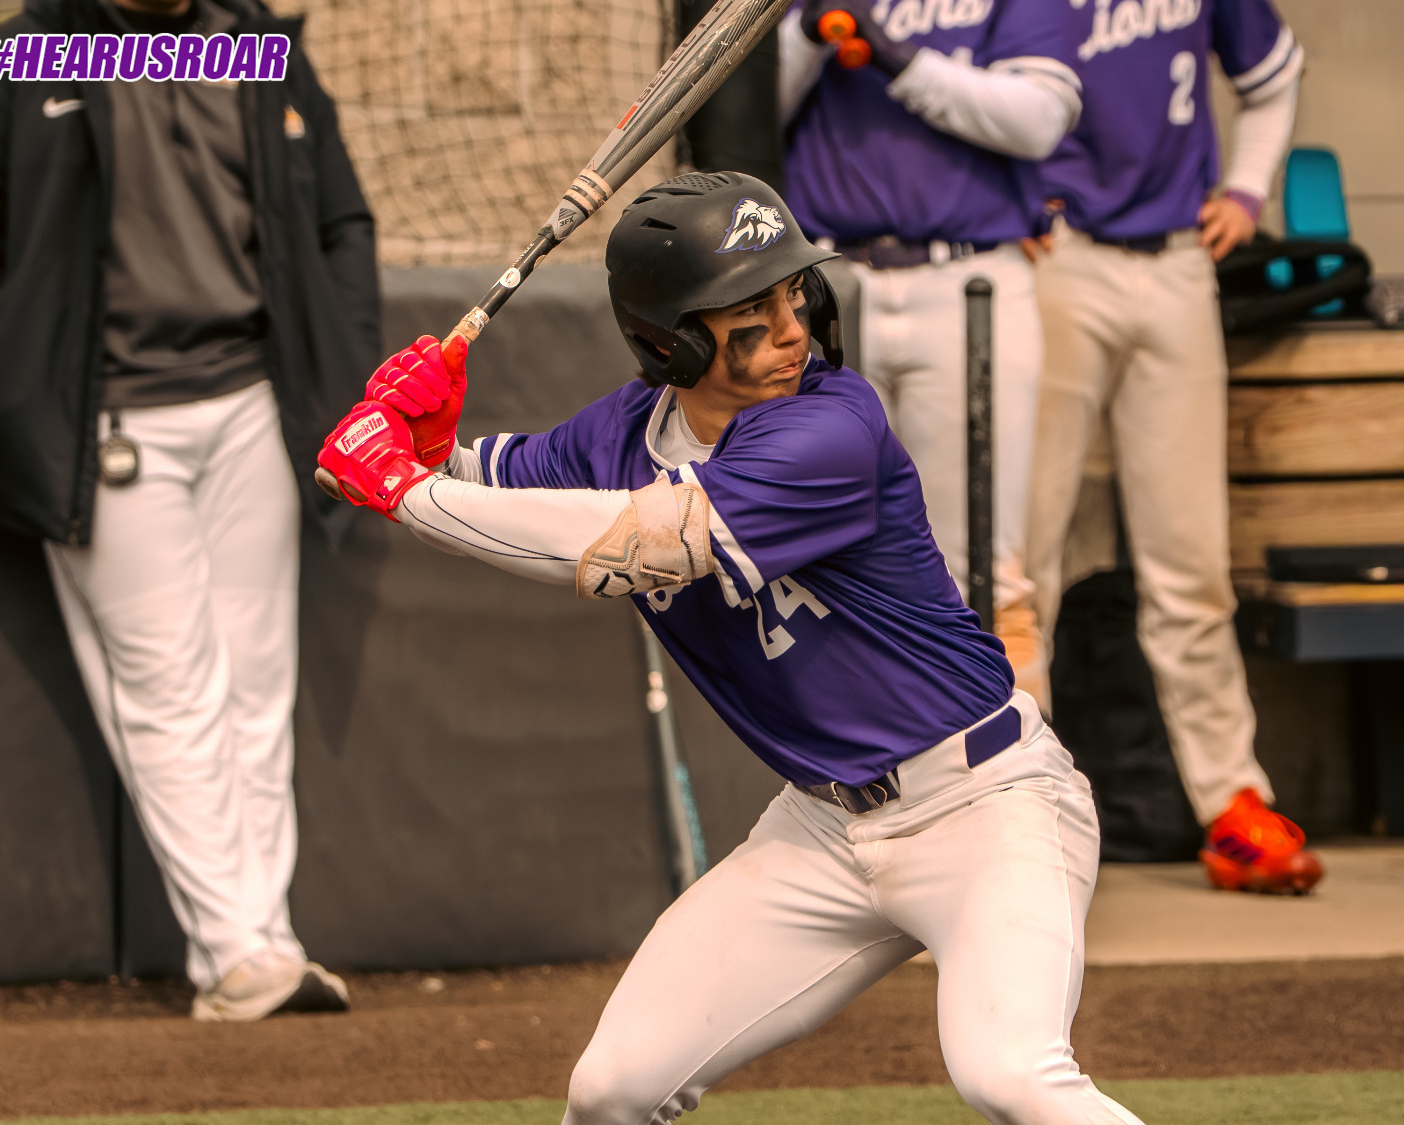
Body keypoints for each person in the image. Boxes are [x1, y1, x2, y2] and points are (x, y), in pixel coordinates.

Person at [318, 172, 1148, 1125]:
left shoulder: (832, 425)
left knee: (1011, 1073)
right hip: (823, 829)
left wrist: (404, 490)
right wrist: (424, 446)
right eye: (748, 309)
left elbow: (639, 545)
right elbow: (501, 494)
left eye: (791, 291)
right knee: (612, 1088)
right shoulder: (620, 432)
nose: (791, 325)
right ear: (670, 340)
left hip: (987, 803)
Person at [0, 0, 378, 1018]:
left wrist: (340, 358)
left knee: (256, 685)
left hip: (254, 403)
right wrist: (9, 382)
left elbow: (341, 222)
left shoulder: (257, 48)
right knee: (168, 687)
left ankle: (267, 941)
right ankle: (233, 954)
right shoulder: (19, 59)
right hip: (107, 419)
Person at [1024, 0, 1319, 893]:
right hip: (1056, 257)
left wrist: (1247, 189)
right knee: (1019, 561)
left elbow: (1277, 77)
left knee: (1190, 562)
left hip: (1178, 258)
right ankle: (1008, 808)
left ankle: (1231, 802)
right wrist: (1000, 196)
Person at [773, 0, 1084, 696]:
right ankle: (866, 793)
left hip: (968, 279)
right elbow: (736, 117)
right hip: (826, 284)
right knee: (823, 572)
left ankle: (1018, 795)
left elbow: (1038, 121)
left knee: (986, 576)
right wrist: (803, 31)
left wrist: (900, 60)